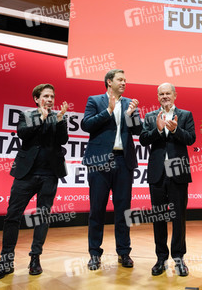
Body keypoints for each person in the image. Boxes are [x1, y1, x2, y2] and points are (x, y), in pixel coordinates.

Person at [0, 84, 69, 281]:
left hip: (49, 174)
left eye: (52, 96)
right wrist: (41, 118)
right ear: (36, 98)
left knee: (42, 217)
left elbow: (63, 140)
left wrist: (58, 121)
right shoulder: (26, 115)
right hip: (25, 175)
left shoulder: (59, 117)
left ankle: (35, 259)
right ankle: (6, 262)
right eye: (46, 96)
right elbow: (23, 134)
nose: (50, 99)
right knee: (12, 216)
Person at [81, 69, 142, 270]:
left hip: (123, 162)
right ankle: (94, 254)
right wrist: (108, 110)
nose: (124, 82)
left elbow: (138, 131)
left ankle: (124, 252)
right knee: (97, 209)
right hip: (99, 162)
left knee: (123, 211)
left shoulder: (130, 103)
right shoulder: (95, 100)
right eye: (120, 79)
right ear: (109, 82)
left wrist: (132, 116)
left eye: (125, 79)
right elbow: (86, 125)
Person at [139, 83, 196, 277]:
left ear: (175, 95)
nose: (165, 96)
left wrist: (174, 130)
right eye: (161, 94)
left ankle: (179, 258)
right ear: (158, 97)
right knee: (159, 218)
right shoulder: (150, 116)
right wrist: (158, 129)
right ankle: (161, 258)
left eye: (168, 93)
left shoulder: (186, 115)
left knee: (178, 217)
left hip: (177, 172)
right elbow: (144, 139)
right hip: (157, 173)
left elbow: (191, 139)